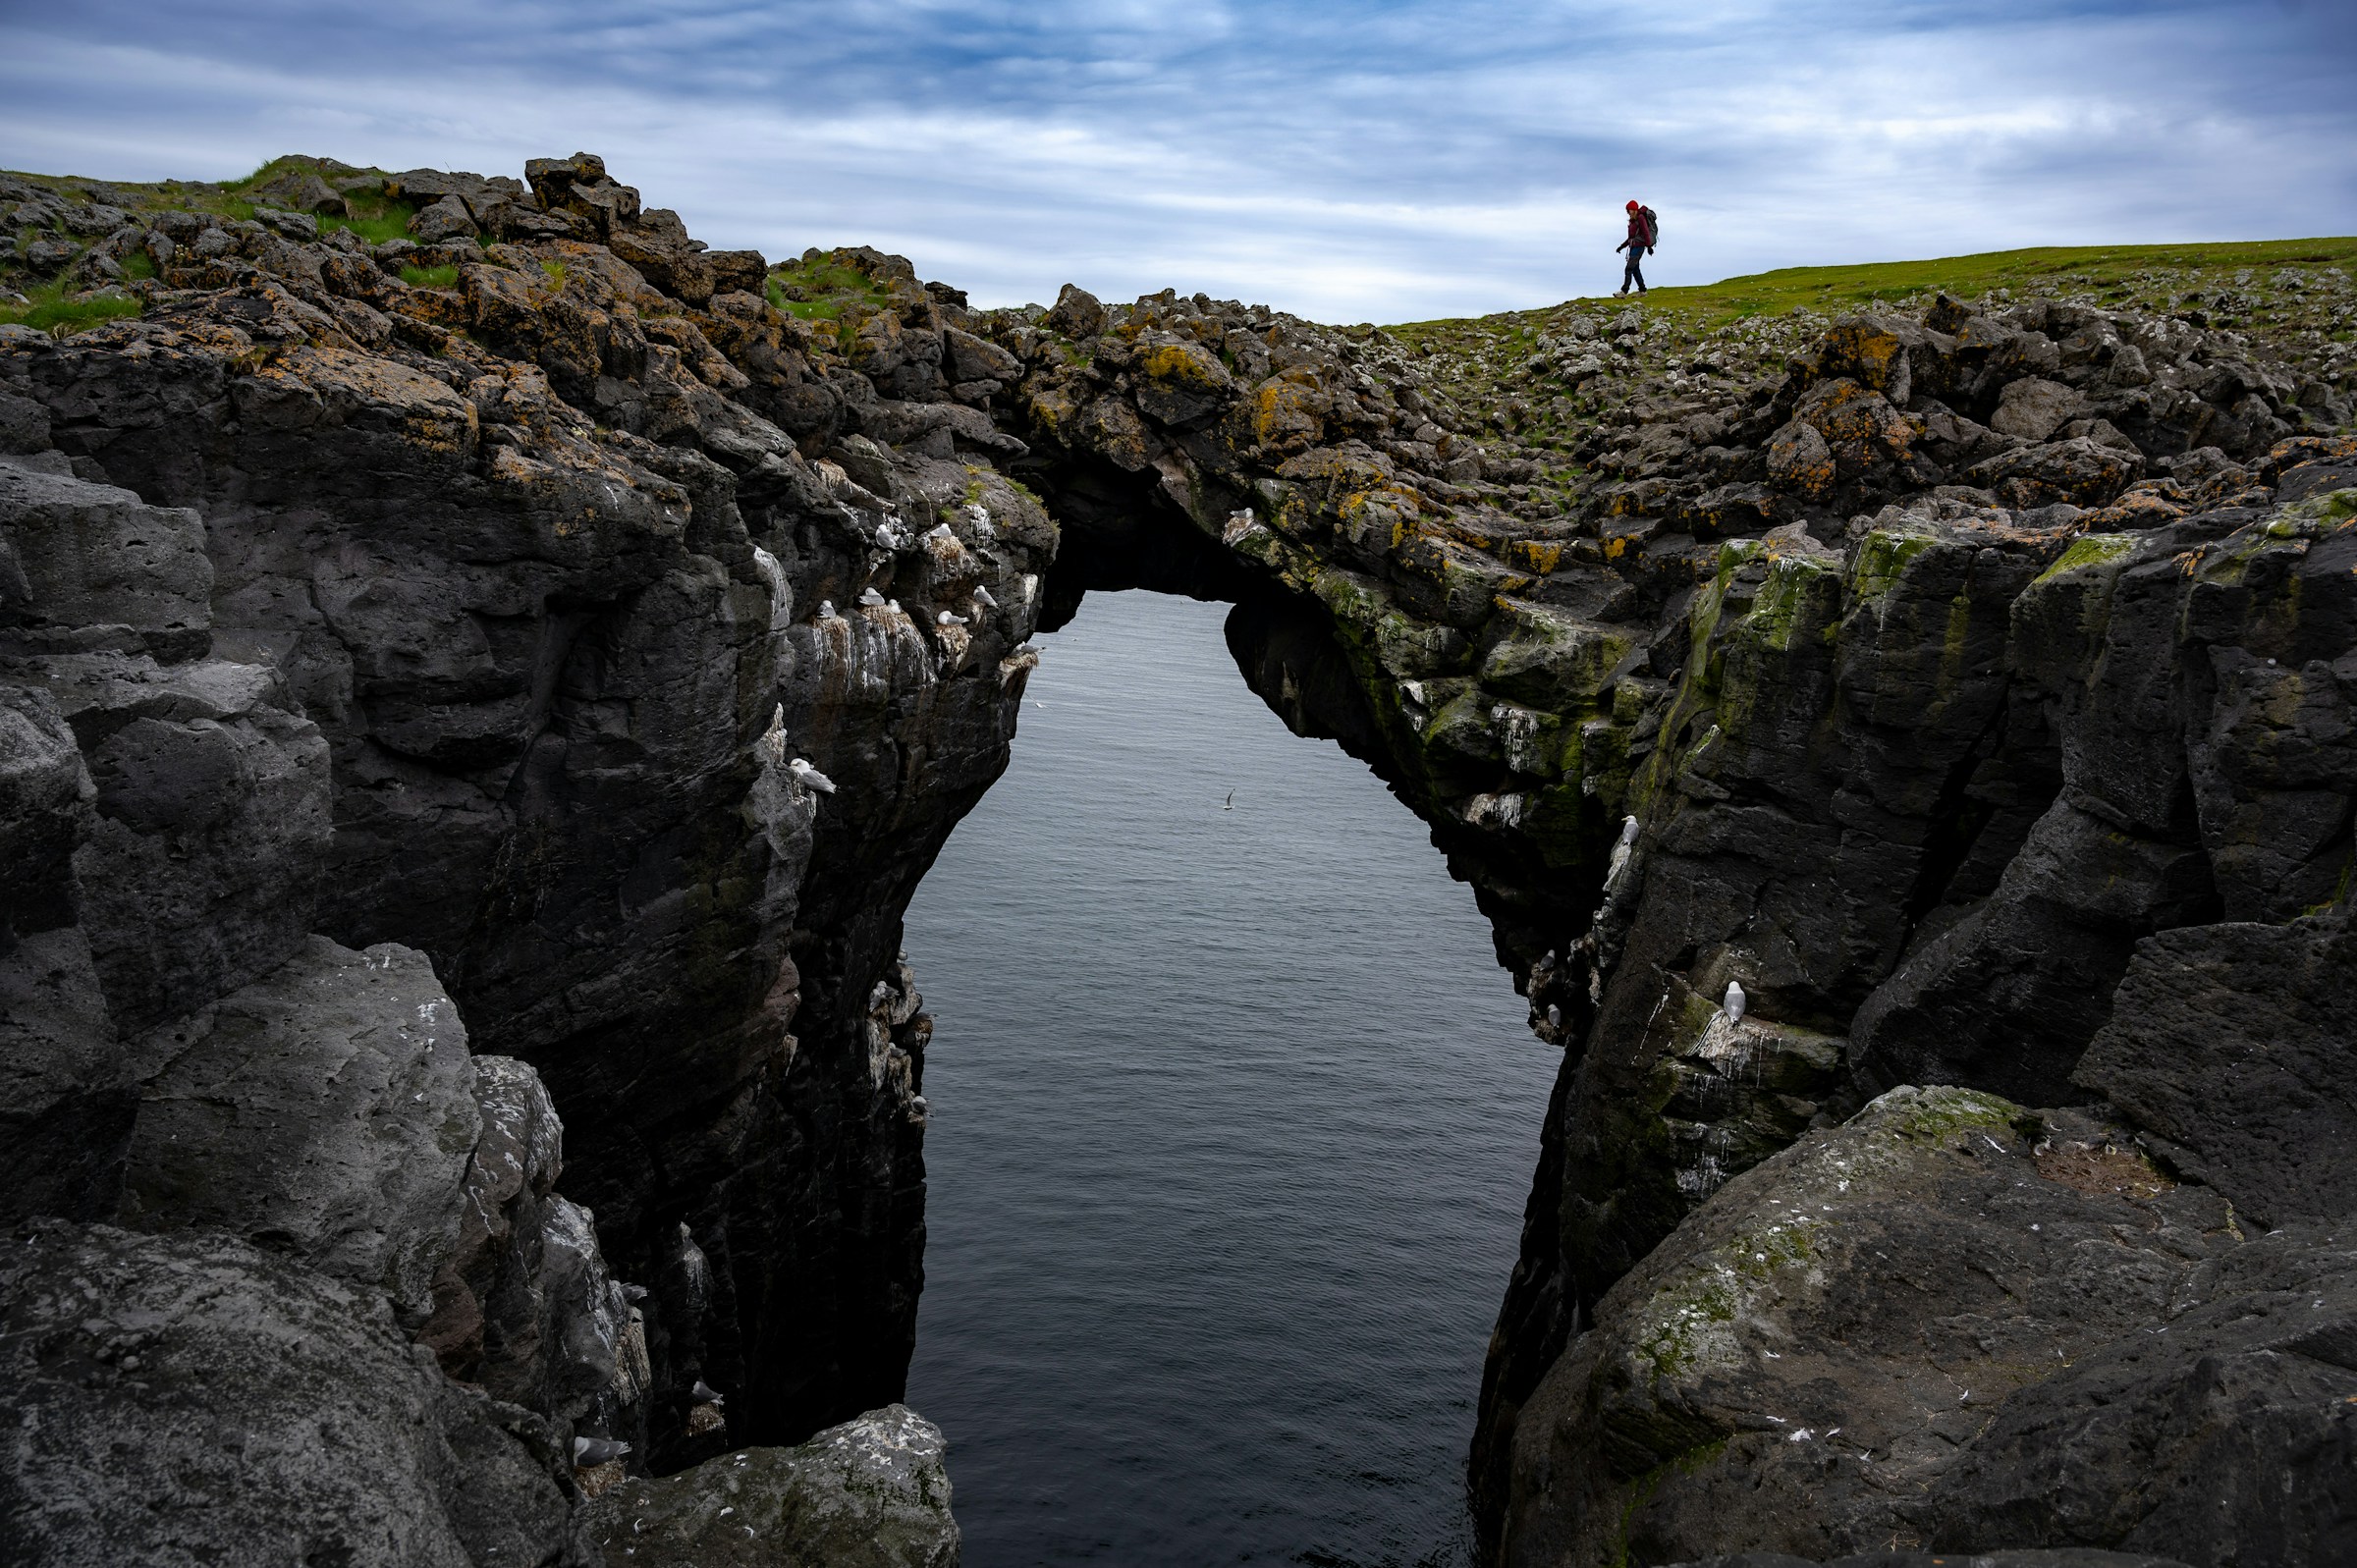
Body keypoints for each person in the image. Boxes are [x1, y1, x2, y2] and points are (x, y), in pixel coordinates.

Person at [1615, 199, 1654, 297]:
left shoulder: (1640, 218)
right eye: (1627, 210)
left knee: (1629, 269)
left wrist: (1649, 246)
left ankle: (1624, 291)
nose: (1628, 212)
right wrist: (1621, 246)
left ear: (1634, 209)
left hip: (1639, 247)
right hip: (1633, 247)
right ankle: (1643, 291)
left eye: (1629, 210)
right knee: (1635, 269)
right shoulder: (1633, 221)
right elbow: (1631, 238)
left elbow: (1646, 232)